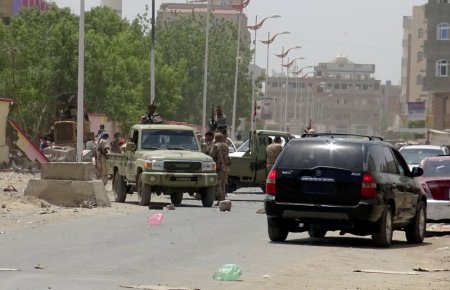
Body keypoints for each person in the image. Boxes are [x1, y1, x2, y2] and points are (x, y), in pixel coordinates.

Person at [209, 132, 230, 204]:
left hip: (219, 168)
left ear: (216, 138)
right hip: (226, 168)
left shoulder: (215, 146)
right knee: (223, 184)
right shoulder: (226, 146)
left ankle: (220, 199)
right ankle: (223, 199)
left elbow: (211, 156)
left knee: (218, 184)